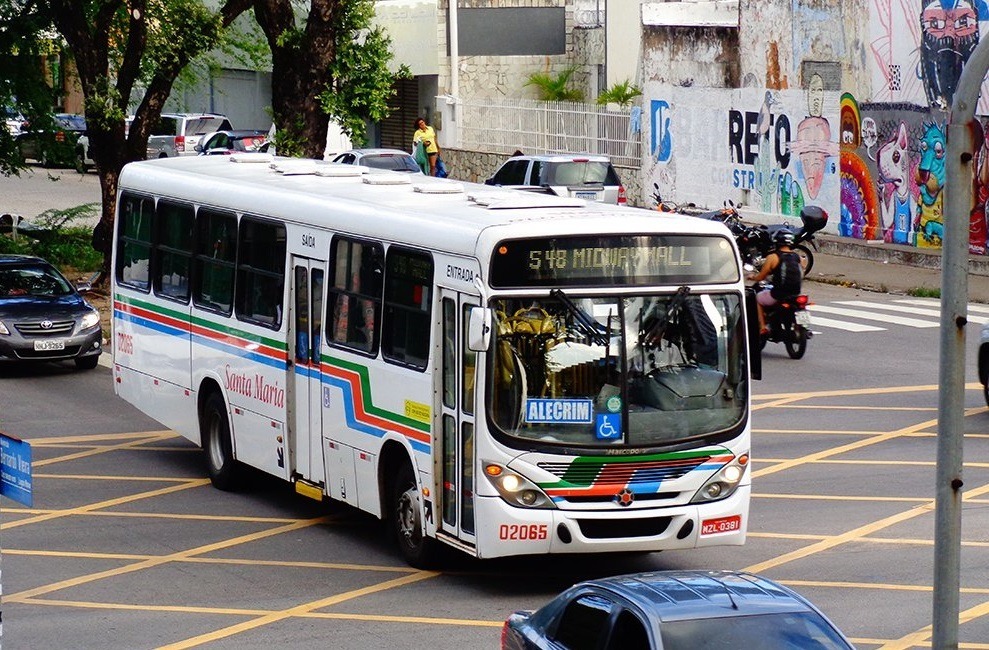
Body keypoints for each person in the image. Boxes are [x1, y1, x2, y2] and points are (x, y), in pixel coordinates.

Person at [749, 229, 802, 335]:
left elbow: (762, 276)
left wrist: (753, 277)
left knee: (757, 298)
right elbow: (801, 272)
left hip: (778, 294)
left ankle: (763, 327)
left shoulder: (773, 257)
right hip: (796, 293)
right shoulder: (797, 256)